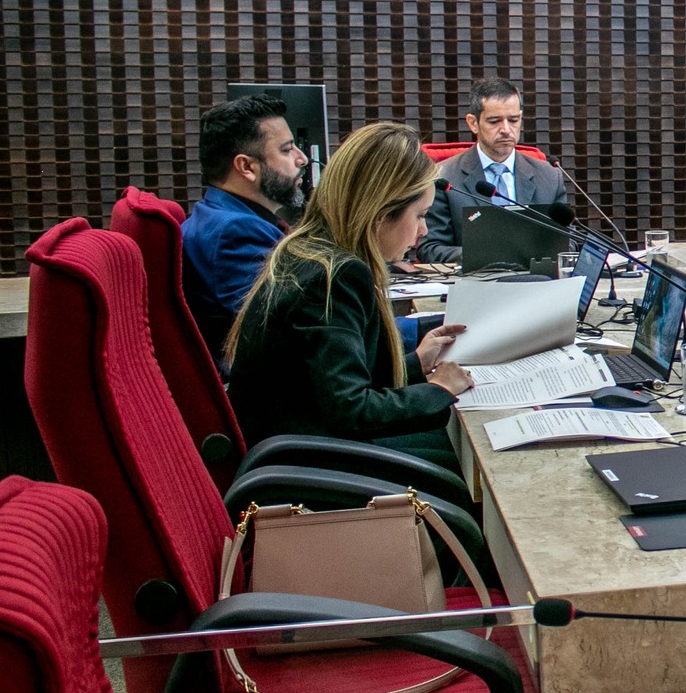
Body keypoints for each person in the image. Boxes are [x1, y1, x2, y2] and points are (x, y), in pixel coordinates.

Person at [227, 123, 473, 467]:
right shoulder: (335, 276)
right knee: (458, 464)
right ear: (379, 214)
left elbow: (331, 383)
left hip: (301, 441)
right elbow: (351, 410)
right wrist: (440, 390)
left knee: (450, 446)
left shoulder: (310, 251)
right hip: (310, 462)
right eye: (419, 215)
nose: (424, 230)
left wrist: (416, 362)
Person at [180, 92, 309, 357]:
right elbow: (289, 331)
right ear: (246, 167)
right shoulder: (236, 233)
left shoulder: (218, 216)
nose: (302, 159)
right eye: (287, 150)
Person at [416, 77, 568, 264]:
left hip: (536, 277)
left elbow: (567, 241)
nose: (506, 129)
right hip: (473, 278)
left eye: (513, 120)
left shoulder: (550, 176)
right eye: (494, 121)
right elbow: (430, 249)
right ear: (473, 123)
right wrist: (493, 255)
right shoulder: (443, 178)